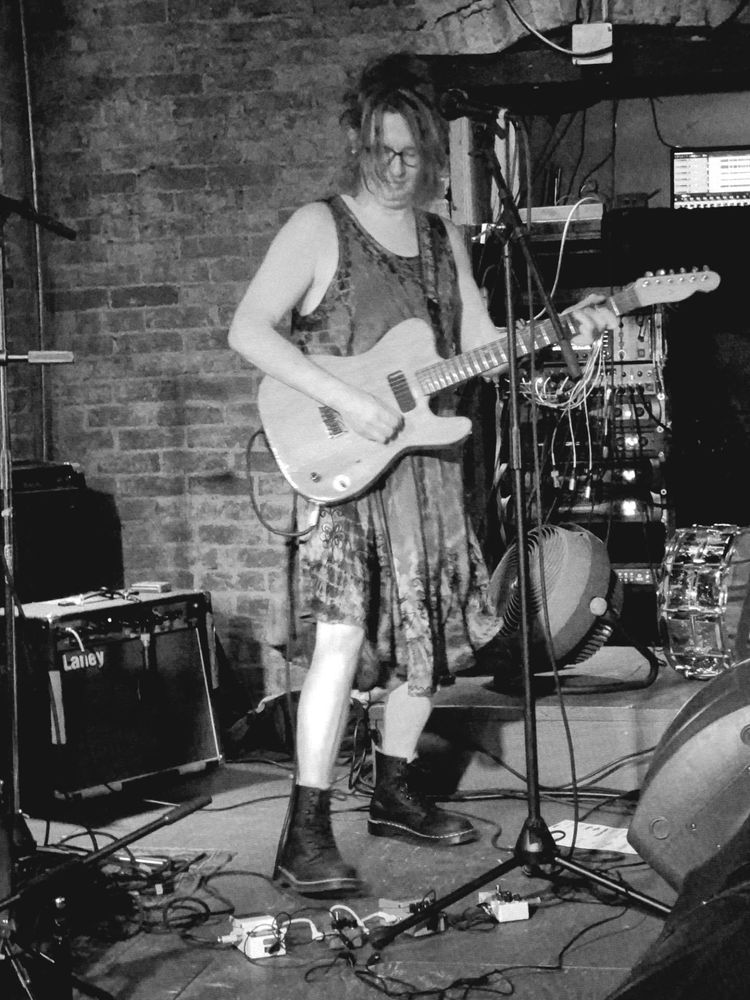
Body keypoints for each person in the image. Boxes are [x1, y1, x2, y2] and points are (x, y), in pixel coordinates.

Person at [228, 52, 617, 896]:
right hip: (348, 464)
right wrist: (348, 400)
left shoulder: (445, 239)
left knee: (430, 639)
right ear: (358, 145)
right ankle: (304, 832)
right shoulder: (319, 227)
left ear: (434, 155)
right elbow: (248, 331)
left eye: (412, 154)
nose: (397, 169)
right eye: (383, 152)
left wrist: (561, 331)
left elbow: (480, 344)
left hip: (427, 466)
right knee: (340, 644)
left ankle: (396, 790)